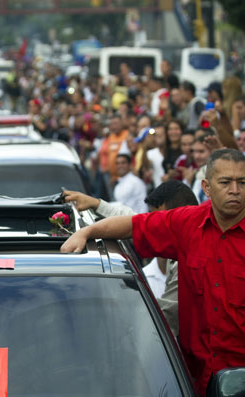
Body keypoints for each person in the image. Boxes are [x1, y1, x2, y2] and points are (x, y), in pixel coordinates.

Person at [61, 148, 245, 395]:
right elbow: (132, 224)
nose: (235, 190)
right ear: (207, 187)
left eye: (242, 182)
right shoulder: (186, 223)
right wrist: (86, 232)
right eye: (225, 182)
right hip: (191, 379)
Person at [63, 179, 199, 337]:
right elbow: (133, 221)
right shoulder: (181, 234)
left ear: (174, 219)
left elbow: (168, 314)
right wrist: (96, 205)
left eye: (157, 219)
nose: (153, 224)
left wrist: (119, 307)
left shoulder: (190, 260)